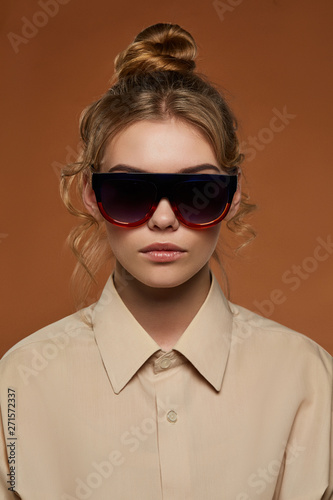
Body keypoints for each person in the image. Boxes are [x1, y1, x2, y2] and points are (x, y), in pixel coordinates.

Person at [0, 22, 332, 500]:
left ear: (232, 198)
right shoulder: (20, 383)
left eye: (197, 191)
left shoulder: (310, 379)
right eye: (129, 191)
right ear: (93, 199)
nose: (162, 219)